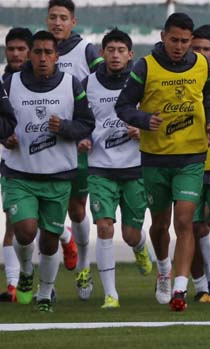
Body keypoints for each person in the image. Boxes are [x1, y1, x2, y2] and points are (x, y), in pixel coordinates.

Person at [115, 12, 210, 312]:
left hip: (191, 156)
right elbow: (123, 106)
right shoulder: (145, 67)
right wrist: (145, 119)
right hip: (155, 158)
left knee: (185, 220)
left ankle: (180, 288)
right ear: (163, 36)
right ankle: (163, 270)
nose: (179, 46)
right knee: (159, 225)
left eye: (185, 41)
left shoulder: (202, 65)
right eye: (174, 40)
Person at [1, 30, 93, 312]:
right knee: (26, 232)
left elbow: (86, 124)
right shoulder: (11, 82)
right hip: (20, 174)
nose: (42, 58)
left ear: (58, 56)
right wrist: (5, 136)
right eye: (37, 52)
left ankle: (45, 293)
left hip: (58, 176)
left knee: (50, 241)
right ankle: (27, 272)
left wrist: (65, 128)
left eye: (48, 52)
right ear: (30, 54)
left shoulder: (71, 84)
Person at [78, 28, 153, 309]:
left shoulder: (142, 83)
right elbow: (83, 120)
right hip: (100, 168)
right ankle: (111, 294)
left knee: (130, 234)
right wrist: (83, 138)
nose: (115, 55)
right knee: (104, 227)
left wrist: (142, 129)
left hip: (135, 168)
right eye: (110, 50)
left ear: (130, 54)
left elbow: (155, 117)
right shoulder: (88, 84)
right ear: (102, 53)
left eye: (121, 50)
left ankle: (140, 246)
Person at [47, 0, 102, 297]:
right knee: (46, 211)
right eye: (53, 16)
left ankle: (83, 267)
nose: (57, 22)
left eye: (63, 17)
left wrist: (90, 129)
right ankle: (47, 283)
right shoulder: (39, 50)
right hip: (45, 145)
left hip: (78, 142)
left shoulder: (86, 51)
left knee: (77, 208)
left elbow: (105, 85)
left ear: (73, 21)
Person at [189, 25, 210, 301]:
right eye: (196, 49)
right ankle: (207, 282)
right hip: (193, 161)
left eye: (206, 49)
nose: (201, 54)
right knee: (196, 225)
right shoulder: (185, 77)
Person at [0, 27, 31, 303]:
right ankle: (12, 284)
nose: (16, 53)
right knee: (13, 221)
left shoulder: (47, 82)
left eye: (22, 49)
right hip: (11, 163)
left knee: (39, 227)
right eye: (11, 49)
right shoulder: (3, 82)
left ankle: (66, 236)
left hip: (44, 164)